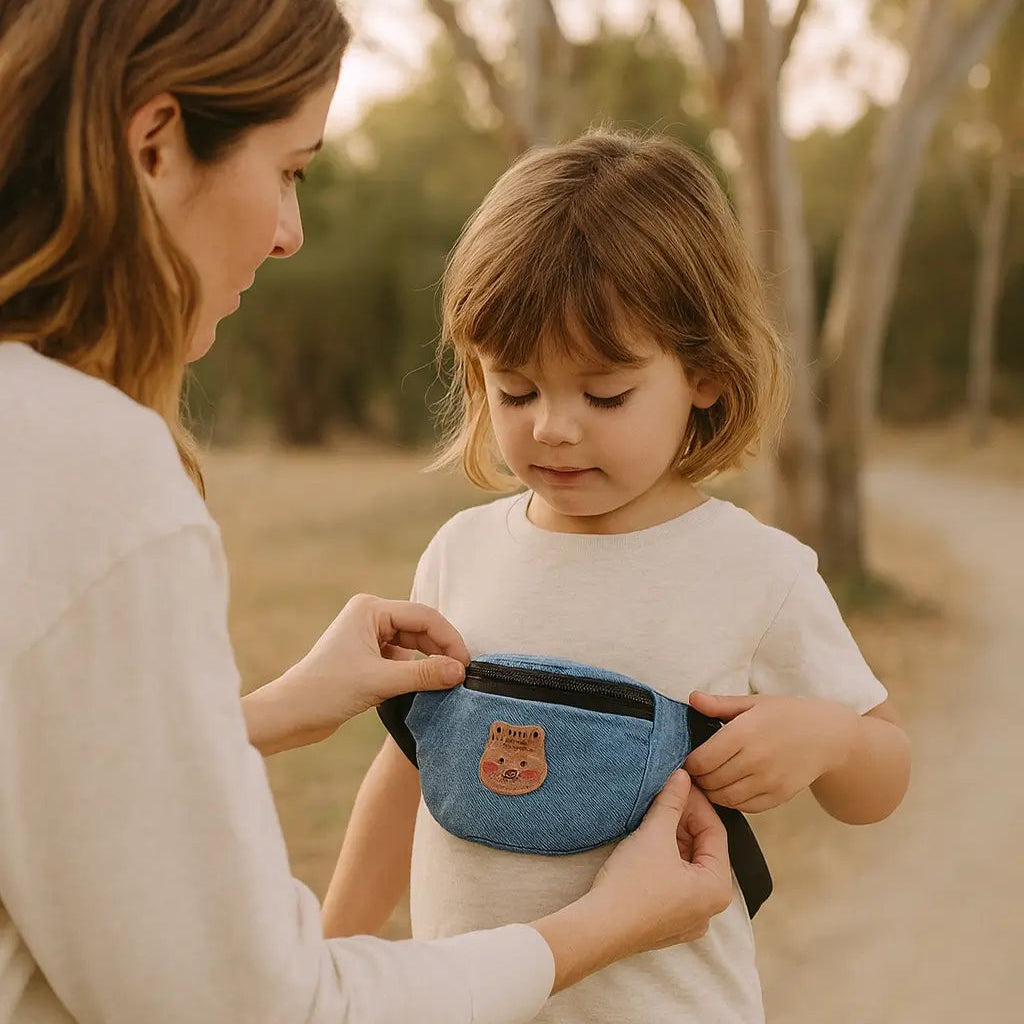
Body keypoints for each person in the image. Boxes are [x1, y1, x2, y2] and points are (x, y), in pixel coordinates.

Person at [0, 4, 737, 1023]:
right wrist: (608, 922)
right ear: (157, 144)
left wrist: (256, 714)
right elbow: (260, 1006)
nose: (289, 231)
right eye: (291, 167)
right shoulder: (90, 473)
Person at [323, 131, 912, 1023]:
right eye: (515, 391)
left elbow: (884, 774)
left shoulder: (756, 572)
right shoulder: (460, 552)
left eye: (604, 396)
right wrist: (332, 956)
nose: (554, 427)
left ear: (706, 374)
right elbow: (408, 772)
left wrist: (828, 738)